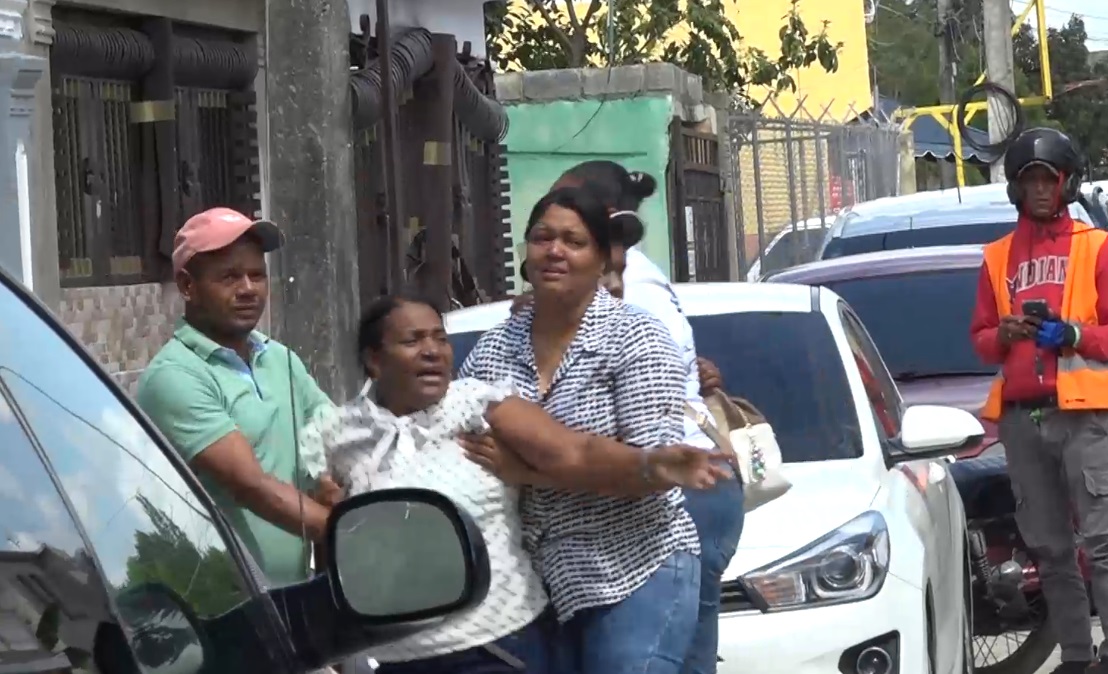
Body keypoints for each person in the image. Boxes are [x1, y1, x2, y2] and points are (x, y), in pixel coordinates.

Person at [298, 292, 726, 674]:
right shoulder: (339, 436)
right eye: (413, 341)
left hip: (500, 648)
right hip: (396, 659)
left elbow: (573, 453)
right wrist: (335, 644)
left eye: (440, 339)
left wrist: (650, 462)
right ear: (375, 359)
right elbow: (332, 544)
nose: (432, 352)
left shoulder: (479, 405)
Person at [460, 187, 702, 674]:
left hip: (634, 569)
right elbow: (461, 449)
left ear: (600, 261)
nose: (555, 251)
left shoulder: (637, 337)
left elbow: (651, 473)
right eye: (542, 238)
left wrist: (525, 471)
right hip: (534, 589)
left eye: (574, 241)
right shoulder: (493, 349)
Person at [550, 160, 746, 674]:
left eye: (567, 212)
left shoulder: (633, 294)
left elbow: (634, 439)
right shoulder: (611, 287)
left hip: (682, 488)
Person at [968, 127, 1108, 674]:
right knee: (1051, 549)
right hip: (1023, 419)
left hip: (1087, 417)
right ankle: (1075, 655)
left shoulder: (1096, 248)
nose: (1040, 189)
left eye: (1049, 178)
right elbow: (980, 338)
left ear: (1066, 183)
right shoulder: (996, 258)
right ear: (1016, 189)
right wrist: (1009, 335)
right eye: (1029, 180)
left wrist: (1071, 336)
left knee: (1105, 542)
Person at [136, 207, 333, 585]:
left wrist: (330, 480)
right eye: (229, 276)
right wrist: (350, 528)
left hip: (288, 596)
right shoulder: (176, 375)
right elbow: (251, 486)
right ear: (188, 286)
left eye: (257, 275)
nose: (247, 289)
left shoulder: (280, 360)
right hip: (216, 605)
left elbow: (331, 435)